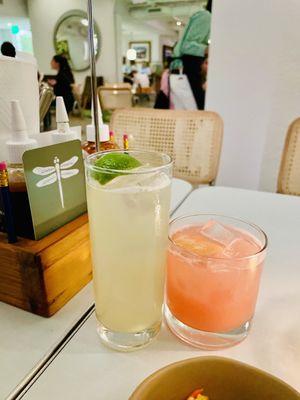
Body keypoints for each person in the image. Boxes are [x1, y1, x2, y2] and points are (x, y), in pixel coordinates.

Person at [171, 0, 212, 109]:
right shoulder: (206, 16)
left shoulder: (206, 16)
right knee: (195, 109)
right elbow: (187, 47)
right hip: (189, 67)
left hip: (188, 67)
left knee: (191, 109)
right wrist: (209, 49)